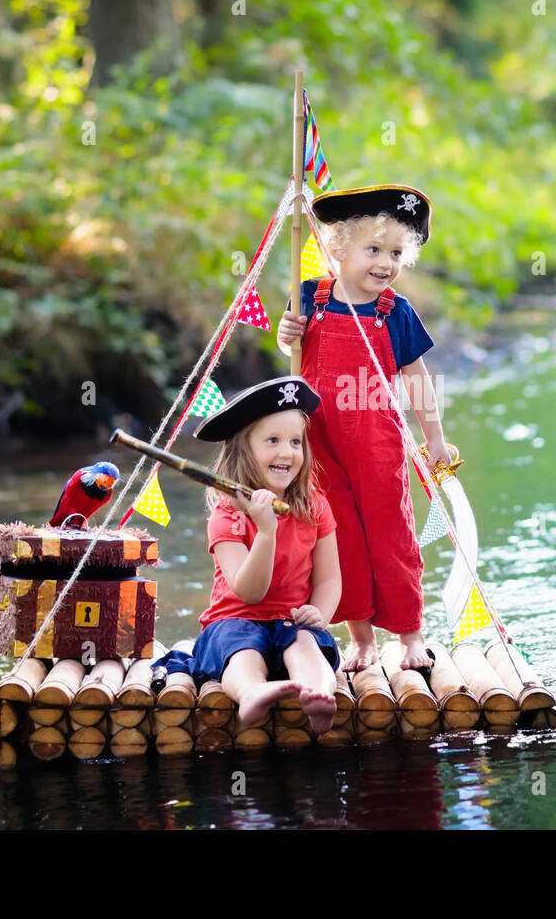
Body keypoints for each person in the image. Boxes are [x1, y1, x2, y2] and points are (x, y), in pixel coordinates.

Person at [277, 184, 449, 672]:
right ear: (338, 249)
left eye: (396, 253)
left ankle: (411, 635)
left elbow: (416, 379)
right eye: (373, 249)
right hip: (318, 438)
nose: (385, 262)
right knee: (340, 535)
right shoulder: (310, 294)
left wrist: (434, 438)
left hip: (376, 439)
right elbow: (289, 343)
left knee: (391, 533)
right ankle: (362, 639)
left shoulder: (395, 311)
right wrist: (285, 330)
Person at [149, 376, 341, 732]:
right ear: (243, 451)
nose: (287, 452)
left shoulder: (314, 506)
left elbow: (329, 578)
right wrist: (266, 531)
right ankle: (252, 691)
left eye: (296, 441)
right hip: (233, 623)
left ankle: (319, 695)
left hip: (290, 622)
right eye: (272, 440)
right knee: (241, 648)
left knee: (305, 641)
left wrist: (320, 613)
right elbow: (250, 592)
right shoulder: (228, 514)